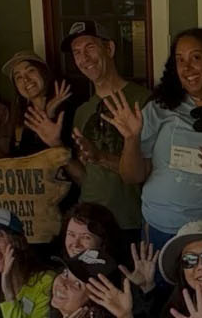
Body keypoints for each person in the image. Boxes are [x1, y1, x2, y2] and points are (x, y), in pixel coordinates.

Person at [102, 28, 202, 246]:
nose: (187, 67)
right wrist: (131, 139)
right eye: (180, 60)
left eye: (196, 58)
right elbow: (131, 177)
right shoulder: (159, 108)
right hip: (161, 227)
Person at [62, 20, 153, 234]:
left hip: (128, 220)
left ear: (109, 48)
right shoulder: (82, 111)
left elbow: (150, 171)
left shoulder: (144, 101)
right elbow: (85, 176)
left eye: (90, 48)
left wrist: (100, 156)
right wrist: (55, 146)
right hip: (88, 224)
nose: (83, 59)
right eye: (76, 53)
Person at [4, 51, 78, 158]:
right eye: (18, 77)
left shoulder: (67, 109)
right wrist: (46, 113)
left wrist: (50, 115)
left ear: (43, 72)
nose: (26, 79)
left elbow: (69, 159)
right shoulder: (21, 119)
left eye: (30, 71)